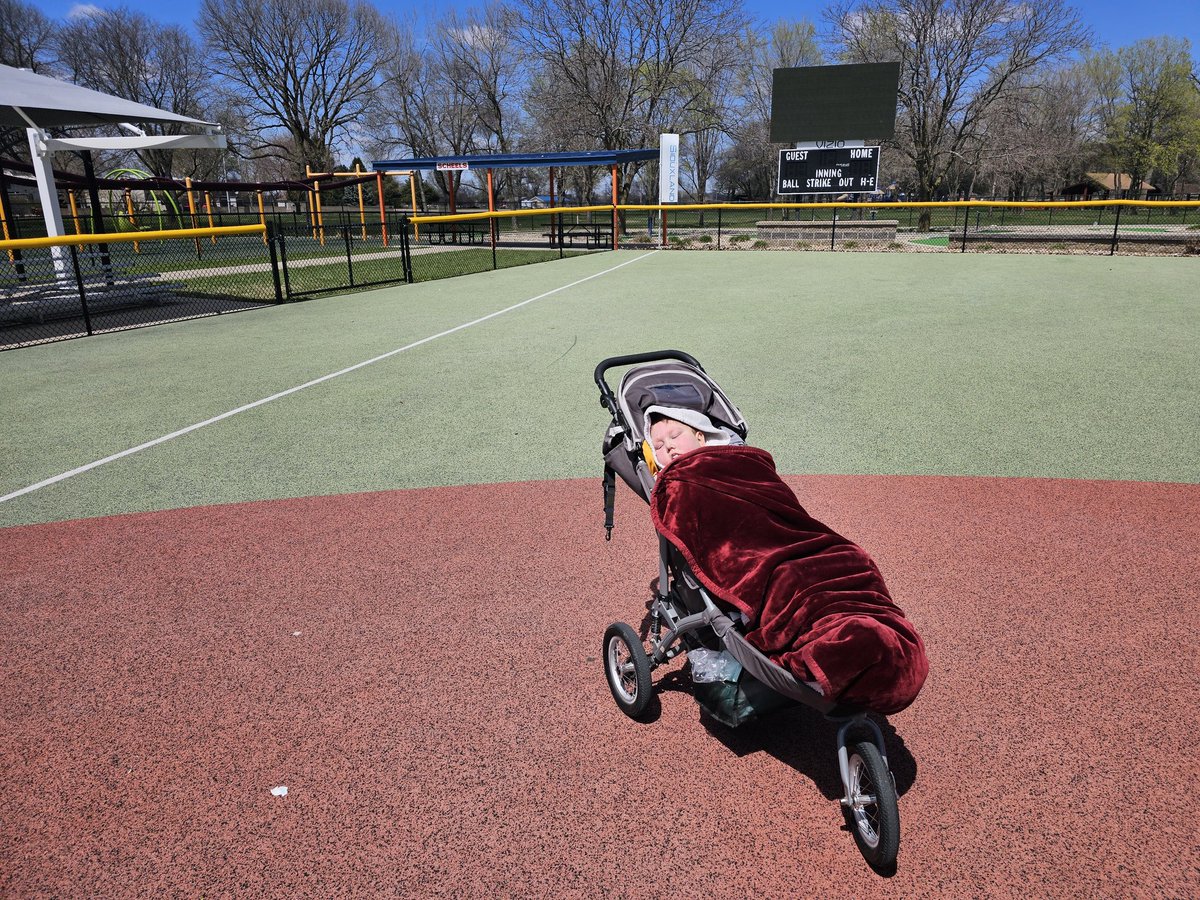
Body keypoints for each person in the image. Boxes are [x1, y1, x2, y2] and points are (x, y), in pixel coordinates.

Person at [643, 405, 732, 471]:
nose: (668, 446)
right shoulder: (662, 482)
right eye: (659, 446)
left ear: (700, 439)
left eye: (675, 436)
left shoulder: (724, 457)